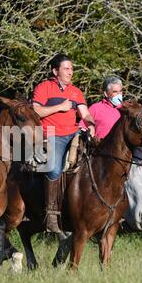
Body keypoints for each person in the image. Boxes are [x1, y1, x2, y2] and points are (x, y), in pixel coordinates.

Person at [32, 54, 96, 233]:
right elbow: (35, 111)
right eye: (66, 69)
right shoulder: (44, 87)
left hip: (74, 133)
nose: (71, 72)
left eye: (72, 69)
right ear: (55, 71)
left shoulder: (76, 91)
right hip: (51, 133)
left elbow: (85, 113)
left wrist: (91, 124)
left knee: (96, 160)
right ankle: (51, 214)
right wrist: (59, 107)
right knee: (53, 167)